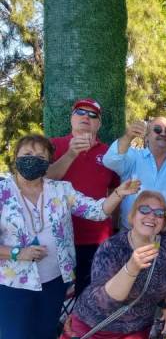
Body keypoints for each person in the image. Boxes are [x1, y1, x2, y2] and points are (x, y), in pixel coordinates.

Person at [0, 134, 136, 339]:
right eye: (26, 154)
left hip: (53, 282)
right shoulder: (3, 191)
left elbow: (97, 210)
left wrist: (119, 193)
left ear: (49, 161)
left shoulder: (60, 190)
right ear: (15, 157)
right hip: (13, 285)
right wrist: (19, 253)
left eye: (40, 157)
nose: (32, 160)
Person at [69, 191, 166, 339]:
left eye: (159, 213)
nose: (152, 216)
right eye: (144, 209)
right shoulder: (112, 248)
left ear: (165, 221)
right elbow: (104, 302)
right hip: (95, 325)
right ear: (132, 216)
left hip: (135, 329)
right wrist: (132, 267)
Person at [47, 98, 120, 297]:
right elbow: (42, 180)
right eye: (80, 112)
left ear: (99, 123)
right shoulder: (53, 146)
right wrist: (71, 154)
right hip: (57, 239)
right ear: (71, 118)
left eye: (93, 114)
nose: (86, 117)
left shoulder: (108, 153)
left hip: (96, 240)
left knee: (90, 299)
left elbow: (116, 191)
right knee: (53, 300)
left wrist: (114, 228)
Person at [102, 117, 166, 230]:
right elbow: (110, 161)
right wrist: (128, 137)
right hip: (130, 234)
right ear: (146, 137)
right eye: (157, 129)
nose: (163, 133)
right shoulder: (133, 157)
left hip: (165, 235)